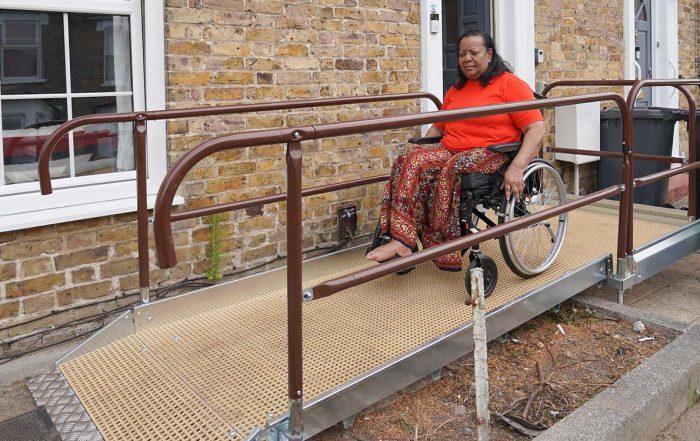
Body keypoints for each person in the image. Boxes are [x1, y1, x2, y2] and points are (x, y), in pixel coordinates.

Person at [366, 30, 545, 271]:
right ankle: (402, 239)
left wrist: (517, 167)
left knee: (454, 166)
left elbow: (536, 128)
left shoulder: (510, 85)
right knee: (408, 158)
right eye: (462, 54)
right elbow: (439, 127)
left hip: (492, 153)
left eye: (474, 52)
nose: (467, 59)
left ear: (489, 54)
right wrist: (420, 149)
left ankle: (443, 244)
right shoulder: (457, 88)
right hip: (452, 149)